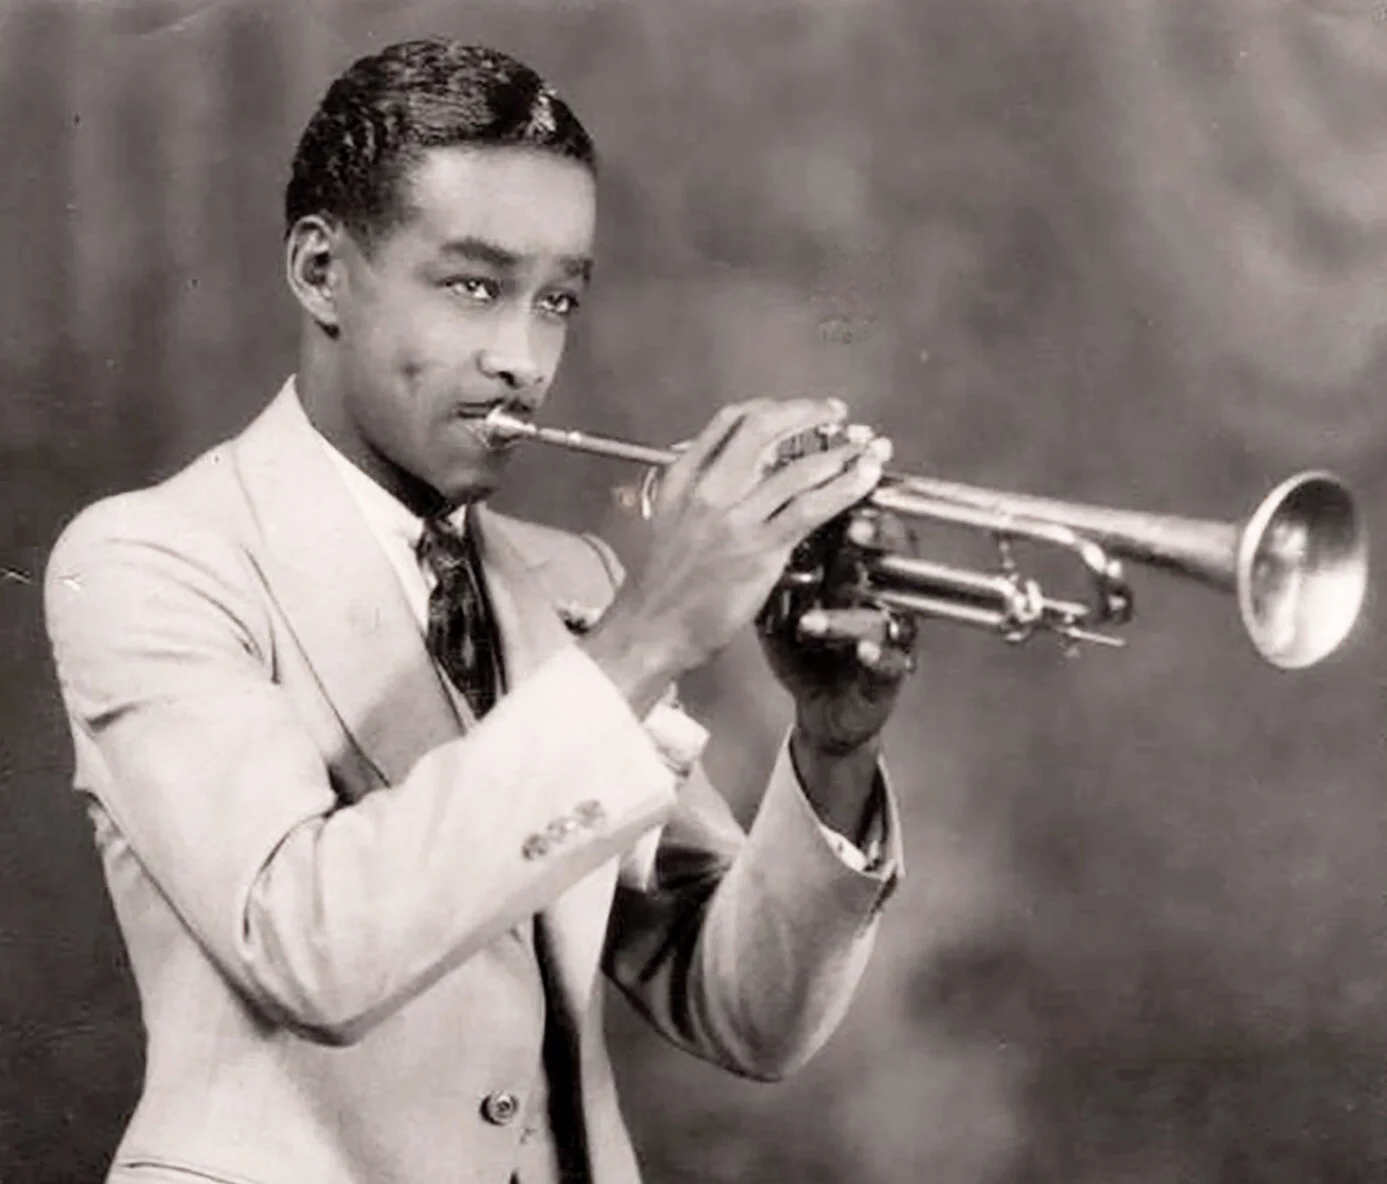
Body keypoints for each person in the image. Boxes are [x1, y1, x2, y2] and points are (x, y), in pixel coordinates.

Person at [43, 38, 917, 1184]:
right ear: (319, 270)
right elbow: (309, 947)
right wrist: (646, 638)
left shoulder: (570, 583)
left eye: (555, 299)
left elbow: (743, 1013)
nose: (521, 357)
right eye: (472, 286)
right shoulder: (152, 560)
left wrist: (832, 748)